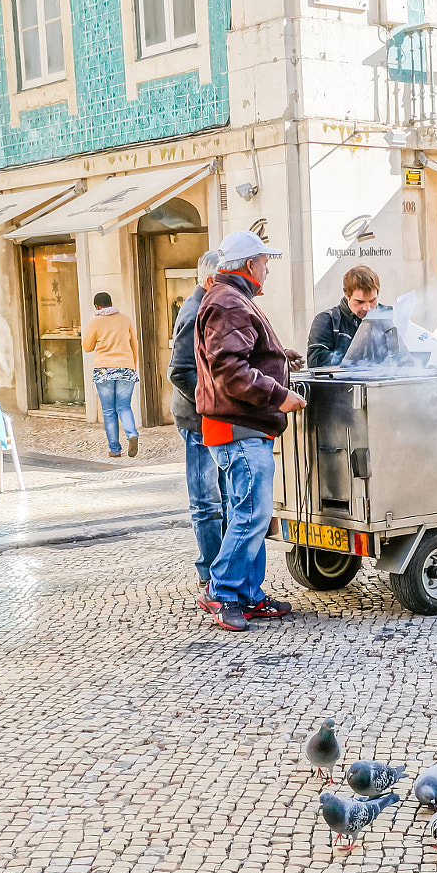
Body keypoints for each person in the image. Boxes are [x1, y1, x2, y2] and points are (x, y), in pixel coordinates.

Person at [194, 231, 306, 632]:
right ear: (248, 266)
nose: (268, 268)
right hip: (239, 426)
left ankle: (248, 595)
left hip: (240, 426)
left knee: (252, 515)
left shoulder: (229, 298)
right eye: (264, 261)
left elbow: (240, 356)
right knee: (251, 514)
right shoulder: (229, 302)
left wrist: (278, 356)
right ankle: (223, 591)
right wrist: (280, 395)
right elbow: (231, 371)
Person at [169, 250, 225, 589]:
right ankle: (209, 573)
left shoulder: (209, 307)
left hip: (207, 417)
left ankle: (220, 571)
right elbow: (179, 372)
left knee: (222, 497)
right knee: (207, 501)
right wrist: (211, 403)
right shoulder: (194, 312)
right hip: (197, 420)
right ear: (209, 281)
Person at [82, 292, 140, 458]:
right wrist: (132, 367)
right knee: (124, 407)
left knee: (108, 411)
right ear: (111, 303)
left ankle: (115, 450)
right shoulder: (125, 319)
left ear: (97, 306)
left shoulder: (96, 321)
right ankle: (132, 434)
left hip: (104, 370)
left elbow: (87, 347)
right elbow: (134, 344)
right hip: (126, 368)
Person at [306, 265, 381, 368]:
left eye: (372, 301)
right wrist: (359, 361)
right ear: (346, 294)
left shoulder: (389, 317)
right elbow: (316, 360)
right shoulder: (327, 320)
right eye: (359, 302)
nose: (367, 308)